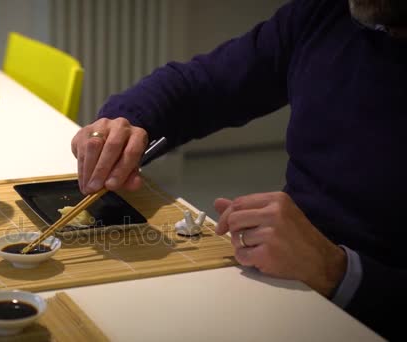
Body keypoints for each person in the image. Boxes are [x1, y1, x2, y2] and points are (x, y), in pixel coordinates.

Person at [70, 0, 406, 340]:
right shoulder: (325, 14)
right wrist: (126, 125)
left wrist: (338, 271)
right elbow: (204, 85)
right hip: (284, 282)